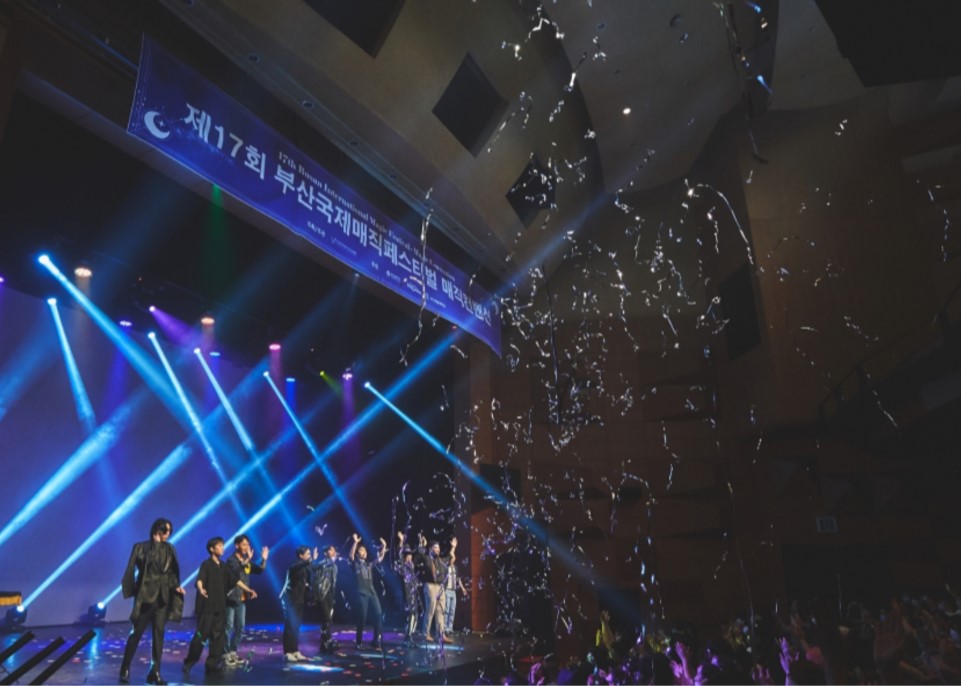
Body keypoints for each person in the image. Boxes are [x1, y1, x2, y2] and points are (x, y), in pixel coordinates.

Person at [119, 518, 185, 686]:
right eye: (165, 530)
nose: (168, 534)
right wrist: (155, 544)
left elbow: (170, 573)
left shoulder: (170, 549)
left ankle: (155, 671)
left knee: (159, 635)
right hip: (146, 597)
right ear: (157, 530)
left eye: (170, 531)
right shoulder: (141, 547)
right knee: (136, 634)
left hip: (162, 598)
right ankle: (125, 668)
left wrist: (176, 586)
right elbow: (141, 565)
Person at [183, 537, 234, 677]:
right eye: (219, 546)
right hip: (207, 608)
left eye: (223, 546)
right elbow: (200, 579)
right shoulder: (206, 564)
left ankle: (212, 664)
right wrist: (201, 589)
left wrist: (247, 590)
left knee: (218, 638)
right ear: (212, 549)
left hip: (220, 607)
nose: (222, 548)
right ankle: (189, 661)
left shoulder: (224, 566)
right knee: (201, 636)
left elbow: (234, 581)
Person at [223, 534, 269, 666]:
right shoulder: (231, 560)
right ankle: (225, 654)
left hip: (242, 599)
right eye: (244, 544)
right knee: (228, 627)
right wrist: (247, 559)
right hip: (230, 598)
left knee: (240, 626)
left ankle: (233, 651)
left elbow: (259, 570)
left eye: (248, 545)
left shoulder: (246, 561)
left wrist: (264, 560)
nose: (246, 547)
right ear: (237, 545)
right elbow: (235, 572)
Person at [415, 534, 457, 644]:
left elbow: (450, 558)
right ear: (431, 549)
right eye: (435, 547)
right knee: (430, 610)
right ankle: (426, 634)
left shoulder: (440, 561)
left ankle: (441, 635)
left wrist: (453, 547)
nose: (438, 549)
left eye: (438, 547)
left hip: (440, 587)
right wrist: (422, 545)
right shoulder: (427, 558)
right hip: (430, 586)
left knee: (441, 611)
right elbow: (419, 556)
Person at [348, 532, 386, 650]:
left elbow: (379, 559)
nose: (364, 552)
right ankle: (359, 642)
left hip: (372, 591)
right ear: (358, 553)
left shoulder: (368, 564)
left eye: (365, 550)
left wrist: (384, 546)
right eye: (362, 550)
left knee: (378, 614)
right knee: (362, 617)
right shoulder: (355, 564)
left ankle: (375, 640)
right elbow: (351, 555)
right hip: (362, 592)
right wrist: (355, 542)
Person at [280, 546, 313, 662]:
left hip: (299, 599)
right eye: (308, 554)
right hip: (290, 599)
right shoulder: (294, 564)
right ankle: (287, 652)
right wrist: (308, 562)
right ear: (301, 555)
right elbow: (296, 568)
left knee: (296, 626)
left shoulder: (305, 566)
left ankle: (294, 650)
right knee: (290, 625)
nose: (310, 556)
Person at [395, 532, 422, 644]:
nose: (410, 557)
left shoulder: (412, 568)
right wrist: (401, 541)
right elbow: (399, 554)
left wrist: (420, 542)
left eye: (411, 555)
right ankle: (409, 636)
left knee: (415, 614)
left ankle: (409, 634)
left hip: (414, 593)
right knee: (412, 613)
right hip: (407, 593)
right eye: (408, 556)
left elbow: (420, 555)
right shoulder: (403, 567)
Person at [312, 544, 339, 653]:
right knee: (327, 618)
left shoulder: (335, 566)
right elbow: (314, 569)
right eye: (331, 550)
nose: (333, 551)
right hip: (322, 594)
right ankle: (327, 640)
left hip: (330, 595)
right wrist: (314, 559)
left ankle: (325, 643)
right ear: (325, 553)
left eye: (333, 549)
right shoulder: (322, 564)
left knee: (327, 620)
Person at [443, 556, 468, 635]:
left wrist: (463, 589)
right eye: (452, 558)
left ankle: (450, 627)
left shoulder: (455, 568)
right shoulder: (446, 568)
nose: (453, 560)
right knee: (447, 609)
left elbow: (458, 579)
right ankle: (444, 627)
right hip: (447, 590)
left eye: (454, 558)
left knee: (452, 610)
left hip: (453, 591)